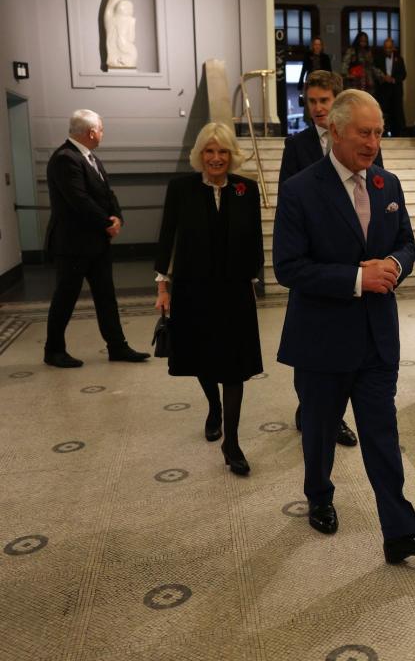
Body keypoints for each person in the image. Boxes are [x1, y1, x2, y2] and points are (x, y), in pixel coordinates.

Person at [272, 89, 415, 563]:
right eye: (364, 132)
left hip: (376, 338)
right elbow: (288, 268)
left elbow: (407, 243)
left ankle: (400, 532)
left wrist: (396, 264)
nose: (373, 142)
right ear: (335, 130)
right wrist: (358, 278)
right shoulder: (300, 190)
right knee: (317, 432)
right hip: (322, 341)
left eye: (378, 132)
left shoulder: (387, 185)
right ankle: (319, 496)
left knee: (382, 436)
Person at [154, 123, 264, 476]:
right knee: (203, 359)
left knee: (235, 368)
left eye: (223, 152)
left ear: (232, 155)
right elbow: (167, 237)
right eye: (209, 151)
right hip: (192, 289)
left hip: (234, 292)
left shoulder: (246, 189)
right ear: (199, 154)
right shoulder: (181, 189)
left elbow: (254, 242)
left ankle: (231, 443)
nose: (216, 158)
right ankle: (213, 408)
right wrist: (162, 288)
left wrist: (253, 281)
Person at [278, 69, 366, 446]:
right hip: (312, 265)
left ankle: (337, 418)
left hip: (351, 265)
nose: (316, 108)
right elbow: (288, 199)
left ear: (336, 102)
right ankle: (309, 408)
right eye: (311, 101)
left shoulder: (359, 141)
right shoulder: (296, 146)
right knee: (311, 351)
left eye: (323, 101)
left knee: (346, 352)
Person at [43, 109, 150, 368]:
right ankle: (53, 350)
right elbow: (79, 200)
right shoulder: (65, 158)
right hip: (73, 245)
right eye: (101, 129)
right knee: (65, 298)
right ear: (91, 132)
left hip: (97, 244)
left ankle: (117, 346)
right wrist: (106, 224)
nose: (102, 133)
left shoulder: (90, 157)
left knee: (106, 296)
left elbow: (106, 193)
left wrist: (117, 217)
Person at [374, 37, 407, 137]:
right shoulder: (378, 58)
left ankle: (398, 133)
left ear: (393, 48)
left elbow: (404, 74)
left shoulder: (399, 59)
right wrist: (383, 78)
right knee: (382, 112)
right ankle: (381, 133)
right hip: (383, 90)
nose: (387, 50)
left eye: (389, 48)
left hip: (396, 89)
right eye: (386, 48)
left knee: (397, 112)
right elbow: (374, 72)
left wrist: (394, 79)